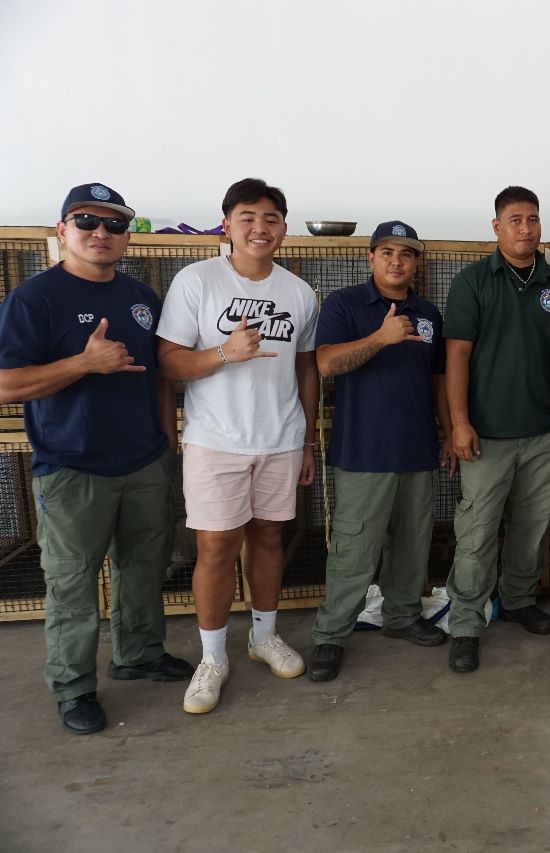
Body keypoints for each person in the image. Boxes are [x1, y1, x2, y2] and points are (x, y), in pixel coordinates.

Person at [0, 183, 193, 734]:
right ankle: (74, 686)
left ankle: (138, 654)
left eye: (114, 225)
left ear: (127, 236)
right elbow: (6, 384)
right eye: (87, 222)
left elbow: (158, 374)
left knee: (143, 569)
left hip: (144, 461)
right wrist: (82, 365)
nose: (101, 233)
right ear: (62, 230)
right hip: (72, 466)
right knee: (72, 583)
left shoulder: (141, 296)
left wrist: (166, 440)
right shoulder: (33, 299)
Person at [157, 178, 319, 714]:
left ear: (284, 229)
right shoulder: (197, 280)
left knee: (269, 537)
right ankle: (212, 658)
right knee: (216, 549)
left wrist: (307, 441)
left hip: (280, 438)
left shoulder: (299, 292)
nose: (260, 227)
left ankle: (263, 636)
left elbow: (305, 370)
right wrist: (224, 354)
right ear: (226, 223)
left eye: (271, 218)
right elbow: (170, 361)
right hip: (216, 441)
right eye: (248, 216)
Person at [307, 221, 452, 681]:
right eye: (386, 252)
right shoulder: (345, 304)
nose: (396, 261)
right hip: (364, 453)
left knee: (412, 544)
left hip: (417, 449)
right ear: (370, 258)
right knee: (355, 548)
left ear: (415, 263)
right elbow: (327, 364)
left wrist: (448, 431)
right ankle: (331, 635)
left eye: (406, 254)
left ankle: (403, 616)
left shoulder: (428, 313)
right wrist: (380, 338)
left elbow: (438, 381)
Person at [442, 186, 550, 674]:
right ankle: (465, 622)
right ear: (496, 226)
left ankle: (518, 601)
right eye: (515, 219)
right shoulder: (473, 282)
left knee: (530, 526)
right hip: (487, 435)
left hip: (544, 434)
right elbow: (456, 355)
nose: (526, 228)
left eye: (533, 219)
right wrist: (459, 422)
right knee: (476, 532)